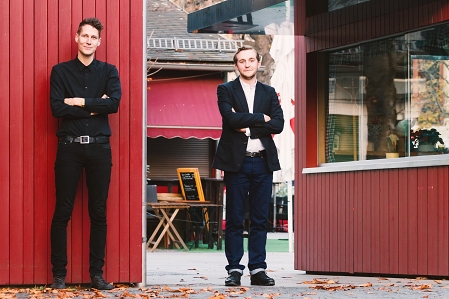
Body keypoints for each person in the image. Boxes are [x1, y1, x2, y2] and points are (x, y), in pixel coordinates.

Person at [49, 17, 121, 290]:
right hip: (69, 147)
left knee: (98, 212)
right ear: (76, 38)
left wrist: (77, 101)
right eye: (85, 36)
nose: (89, 40)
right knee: (63, 210)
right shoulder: (60, 71)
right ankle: (59, 275)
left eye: (94, 37)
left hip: (100, 148)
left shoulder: (109, 71)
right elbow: (57, 108)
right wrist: (95, 106)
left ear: (99, 42)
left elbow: (113, 104)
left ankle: (96, 274)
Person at [212, 45, 284, 286]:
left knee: (260, 219)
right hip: (237, 163)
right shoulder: (225, 89)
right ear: (236, 66)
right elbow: (229, 118)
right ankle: (234, 269)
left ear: (258, 63)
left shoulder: (269, 92)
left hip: (262, 163)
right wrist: (261, 118)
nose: (247, 64)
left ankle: (257, 269)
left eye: (251, 60)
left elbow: (278, 124)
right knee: (234, 218)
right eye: (242, 61)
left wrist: (249, 126)